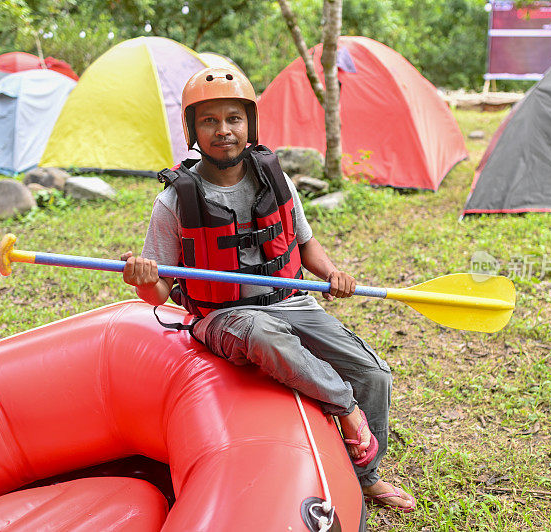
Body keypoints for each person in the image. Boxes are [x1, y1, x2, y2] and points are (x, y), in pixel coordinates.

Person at [121, 67, 415, 512]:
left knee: (374, 373)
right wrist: (144, 280)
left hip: (291, 299)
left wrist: (332, 272)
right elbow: (158, 293)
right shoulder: (174, 201)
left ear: (250, 124)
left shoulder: (275, 179)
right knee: (263, 334)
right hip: (224, 316)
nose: (224, 131)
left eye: (234, 119)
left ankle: (365, 477)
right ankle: (346, 410)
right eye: (210, 121)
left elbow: (304, 241)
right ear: (193, 130)